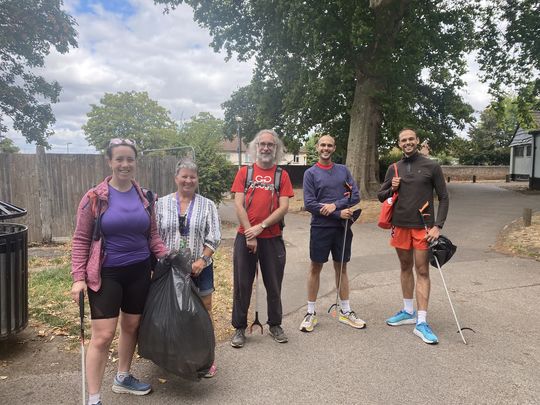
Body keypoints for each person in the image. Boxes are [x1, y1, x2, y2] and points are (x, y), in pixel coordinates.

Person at [71, 139, 169, 405]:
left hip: (139, 270)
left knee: (132, 325)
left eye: (130, 159)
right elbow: (80, 240)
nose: (125, 164)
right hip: (107, 274)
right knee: (102, 336)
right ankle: (94, 398)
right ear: (110, 161)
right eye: (119, 159)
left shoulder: (146, 197)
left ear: (136, 162)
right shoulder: (94, 197)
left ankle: (123, 378)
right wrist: (78, 278)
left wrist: (168, 256)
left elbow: (153, 237)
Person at [377, 128, 449, 344]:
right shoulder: (394, 168)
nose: (407, 143)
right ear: (399, 144)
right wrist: (392, 187)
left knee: (422, 270)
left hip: (423, 227)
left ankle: (422, 322)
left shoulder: (431, 166)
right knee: (405, 268)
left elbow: (444, 197)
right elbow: (381, 196)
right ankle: (408, 311)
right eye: (403, 140)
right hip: (400, 226)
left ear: (417, 141)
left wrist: (438, 226)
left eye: (411, 139)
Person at [155, 158, 221, 377]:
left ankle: (205, 357)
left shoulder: (207, 205)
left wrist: (202, 260)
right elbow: (153, 235)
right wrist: (164, 259)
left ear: (197, 179)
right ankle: (172, 355)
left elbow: (214, 236)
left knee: (202, 311)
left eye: (192, 177)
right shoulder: (161, 204)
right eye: (184, 176)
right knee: (171, 311)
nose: (188, 180)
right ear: (176, 178)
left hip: (199, 268)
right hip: (169, 269)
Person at [229, 129, 294, 348]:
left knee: (274, 284)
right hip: (244, 237)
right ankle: (239, 328)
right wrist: (250, 232)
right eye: (262, 144)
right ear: (255, 147)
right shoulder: (244, 173)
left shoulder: (281, 175)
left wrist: (262, 227)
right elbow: (238, 204)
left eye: (271, 145)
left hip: (272, 238)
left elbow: (284, 206)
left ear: (276, 149)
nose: (266, 148)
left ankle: (275, 324)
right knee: (242, 284)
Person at [299, 134, 366, 332]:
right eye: (322, 145)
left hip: (342, 230)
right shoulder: (310, 173)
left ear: (334, 148)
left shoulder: (343, 171)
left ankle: (345, 310)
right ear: (317, 147)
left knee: (342, 268)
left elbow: (356, 196)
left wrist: (334, 205)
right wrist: (338, 213)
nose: (325, 148)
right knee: (315, 267)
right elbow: (310, 204)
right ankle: (310, 313)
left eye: (329, 145)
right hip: (320, 228)